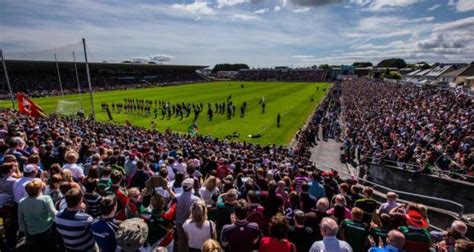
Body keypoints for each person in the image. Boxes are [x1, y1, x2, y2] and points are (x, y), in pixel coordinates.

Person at [18, 180, 57, 251]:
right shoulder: (46, 198)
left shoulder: (22, 202)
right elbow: (54, 214)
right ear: (40, 189)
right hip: (46, 229)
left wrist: (24, 231)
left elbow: (20, 219)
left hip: (31, 231)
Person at [176, 178, 200, 252]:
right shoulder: (196, 199)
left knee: (181, 240)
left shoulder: (176, 197)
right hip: (190, 223)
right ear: (191, 187)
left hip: (179, 223)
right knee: (191, 241)